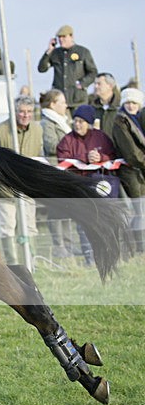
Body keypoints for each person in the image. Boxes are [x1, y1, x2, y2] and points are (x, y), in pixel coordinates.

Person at [56, 104, 117, 264]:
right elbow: (62, 158)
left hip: (100, 186)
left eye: (82, 121)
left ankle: (110, 253)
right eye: (76, 120)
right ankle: (89, 257)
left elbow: (112, 155)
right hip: (79, 188)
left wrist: (101, 157)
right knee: (84, 223)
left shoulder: (101, 137)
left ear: (89, 123)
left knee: (104, 221)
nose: (77, 124)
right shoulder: (67, 140)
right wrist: (84, 157)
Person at [0, 95, 43, 264]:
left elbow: (41, 156)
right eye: (21, 112)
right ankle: (13, 264)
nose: (25, 115)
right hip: (5, 189)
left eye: (29, 112)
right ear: (14, 112)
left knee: (30, 227)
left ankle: (31, 262)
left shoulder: (38, 130)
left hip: (28, 188)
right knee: (7, 228)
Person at [40, 88, 78, 257]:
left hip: (66, 170)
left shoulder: (63, 121)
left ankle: (69, 244)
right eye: (62, 102)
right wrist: (72, 146)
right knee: (56, 210)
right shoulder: (47, 123)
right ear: (53, 104)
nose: (65, 105)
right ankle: (59, 246)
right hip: (54, 169)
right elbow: (51, 146)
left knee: (68, 208)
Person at [112, 87, 145, 253]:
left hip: (141, 171)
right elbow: (131, 153)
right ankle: (139, 248)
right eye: (128, 102)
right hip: (132, 172)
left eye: (134, 102)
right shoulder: (121, 121)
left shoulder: (139, 119)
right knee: (139, 210)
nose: (131, 105)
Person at [37, 25, 98, 112]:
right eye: (59, 37)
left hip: (78, 100)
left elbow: (93, 72)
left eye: (64, 37)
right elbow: (41, 69)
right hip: (60, 101)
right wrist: (49, 51)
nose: (61, 40)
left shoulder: (83, 52)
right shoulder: (55, 53)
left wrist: (82, 84)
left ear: (71, 36)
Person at [89, 73, 121, 137]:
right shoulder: (92, 108)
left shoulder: (120, 107)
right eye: (95, 84)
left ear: (110, 86)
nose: (96, 86)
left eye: (99, 84)